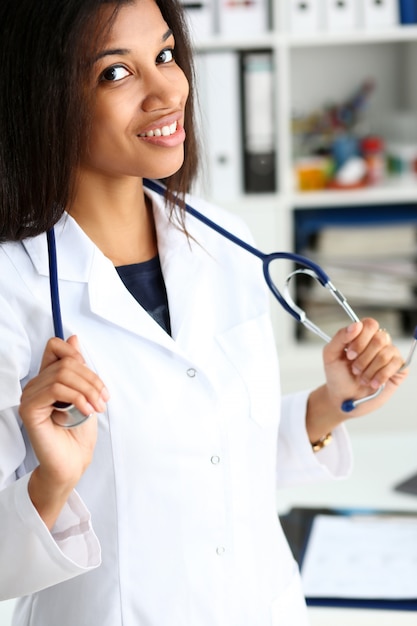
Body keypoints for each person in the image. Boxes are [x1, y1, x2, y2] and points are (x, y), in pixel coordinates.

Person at [0, 0, 408, 624]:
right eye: (116, 72)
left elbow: (213, 460)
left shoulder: (224, 241)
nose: (168, 90)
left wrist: (330, 403)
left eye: (164, 55)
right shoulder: (13, 288)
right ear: (44, 98)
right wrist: (50, 484)